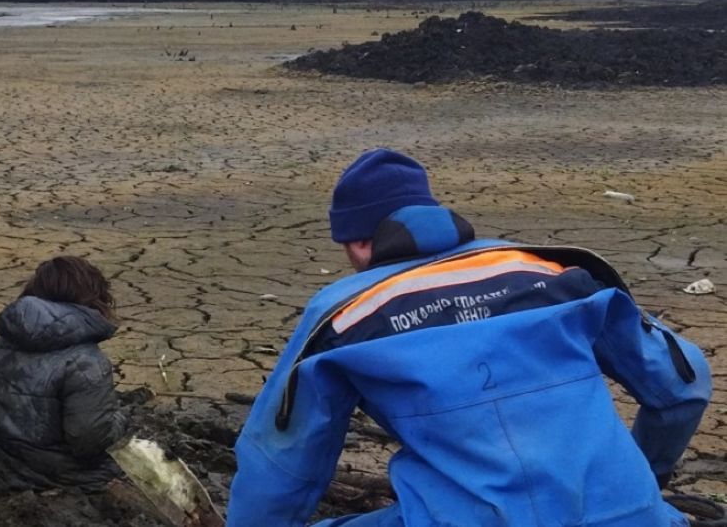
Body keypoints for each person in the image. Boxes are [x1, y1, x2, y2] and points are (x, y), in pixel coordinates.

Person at [227, 148, 712, 527]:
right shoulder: (553, 273)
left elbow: (279, 465)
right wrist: (644, 479)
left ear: (357, 242)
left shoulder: (344, 315)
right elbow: (684, 385)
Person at [0, 255, 129, 492]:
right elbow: (89, 442)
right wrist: (121, 420)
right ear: (94, 299)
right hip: (79, 485)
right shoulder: (85, 362)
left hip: (6, 480)